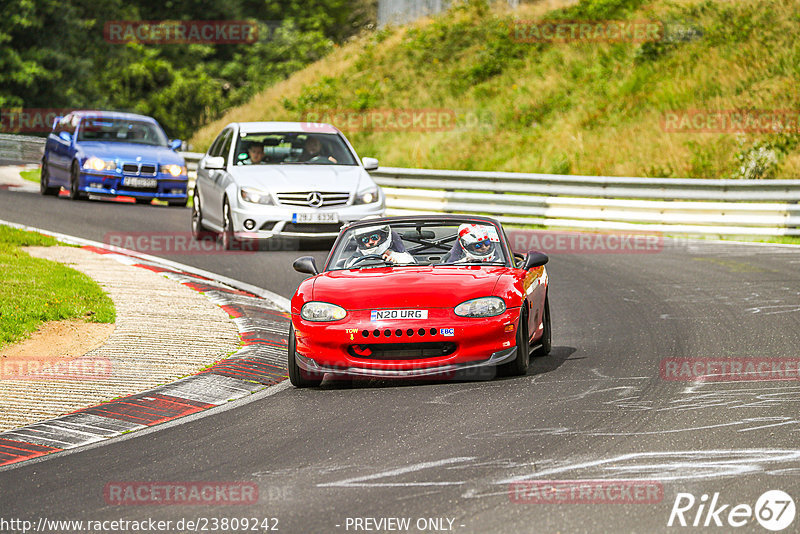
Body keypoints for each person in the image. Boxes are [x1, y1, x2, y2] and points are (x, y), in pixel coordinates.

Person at [346, 224, 415, 267]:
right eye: (365, 240)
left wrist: (396, 265)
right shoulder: (354, 261)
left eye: (374, 237)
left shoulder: (403, 258)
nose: (370, 242)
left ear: (382, 236)